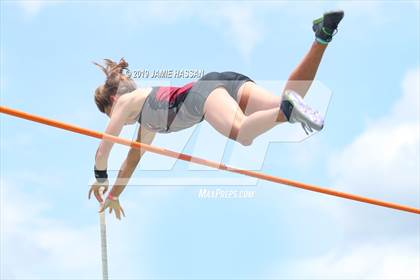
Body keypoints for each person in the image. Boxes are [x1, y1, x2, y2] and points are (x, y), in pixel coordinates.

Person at [89, 11, 344, 219]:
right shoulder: (148, 118)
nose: (115, 119)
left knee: (244, 133)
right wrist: (114, 195)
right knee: (287, 98)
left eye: (109, 114)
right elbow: (131, 160)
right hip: (225, 82)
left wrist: (100, 177)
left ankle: (286, 111)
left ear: (113, 101)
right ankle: (322, 37)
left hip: (205, 93)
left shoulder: (125, 103)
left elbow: (105, 147)